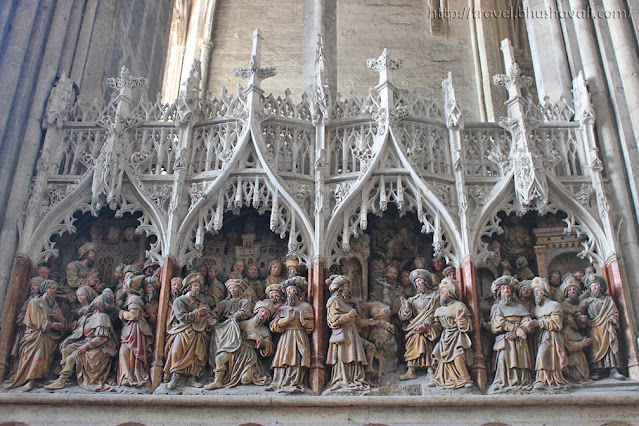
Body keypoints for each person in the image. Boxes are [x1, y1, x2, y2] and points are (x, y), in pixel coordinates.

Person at [46, 289, 118, 391]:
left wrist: (86, 346)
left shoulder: (102, 317)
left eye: (97, 298)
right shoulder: (88, 316)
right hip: (86, 341)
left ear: (100, 303)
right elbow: (78, 331)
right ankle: (68, 376)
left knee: (72, 358)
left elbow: (102, 338)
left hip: (98, 346)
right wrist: (69, 340)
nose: (94, 299)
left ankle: (61, 381)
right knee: (65, 349)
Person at [8, 280, 65, 391]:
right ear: (45, 289)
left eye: (56, 289)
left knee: (45, 357)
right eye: (52, 288)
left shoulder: (54, 305)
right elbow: (35, 320)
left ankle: (38, 379)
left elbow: (61, 319)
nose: (54, 291)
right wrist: (51, 325)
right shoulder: (34, 302)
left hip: (49, 336)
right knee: (37, 353)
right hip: (35, 334)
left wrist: (61, 321)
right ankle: (30, 380)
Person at [164, 274, 213, 389]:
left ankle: (192, 378)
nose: (197, 289)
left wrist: (208, 320)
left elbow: (207, 316)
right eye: (195, 286)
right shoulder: (179, 301)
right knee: (176, 351)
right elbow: (181, 317)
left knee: (196, 355)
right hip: (183, 330)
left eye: (199, 287)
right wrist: (197, 313)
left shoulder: (200, 302)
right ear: (189, 287)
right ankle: (175, 377)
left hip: (197, 331)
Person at [267, 278, 315, 393]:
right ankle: (278, 382)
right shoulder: (282, 308)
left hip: (299, 334)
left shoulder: (306, 307)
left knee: (296, 359)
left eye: (292, 290)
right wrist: (286, 320)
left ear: (297, 292)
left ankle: (294, 382)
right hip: (286, 336)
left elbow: (312, 325)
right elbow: (273, 326)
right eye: (288, 291)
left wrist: (305, 323)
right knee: (282, 359)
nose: (290, 293)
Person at [488, 276, 534, 393]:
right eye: (503, 289)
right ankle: (503, 382)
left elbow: (528, 321)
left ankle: (522, 383)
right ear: (499, 292)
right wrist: (514, 329)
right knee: (504, 360)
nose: (506, 291)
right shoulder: (496, 307)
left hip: (519, 340)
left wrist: (521, 329)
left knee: (521, 361)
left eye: (508, 288)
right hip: (504, 339)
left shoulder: (519, 307)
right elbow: (498, 323)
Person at [325, 275, 370, 392]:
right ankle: (343, 379)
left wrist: (370, 321)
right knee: (344, 357)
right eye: (345, 286)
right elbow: (332, 320)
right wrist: (348, 316)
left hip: (352, 332)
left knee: (354, 357)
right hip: (343, 333)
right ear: (339, 288)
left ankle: (354, 379)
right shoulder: (333, 301)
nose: (348, 289)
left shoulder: (347, 303)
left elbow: (357, 321)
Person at [205, 279, 253, 389]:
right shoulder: (224, 303)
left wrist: (236, 316)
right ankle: (217, 379)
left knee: (224, 355)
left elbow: (246, 312)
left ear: (240, 290)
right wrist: (213, 320)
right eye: (230, 288)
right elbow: (215, 313)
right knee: (219, 354)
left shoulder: (244, 301)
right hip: (224, 328)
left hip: (237, 327)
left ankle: (220, 379)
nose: (232, 290)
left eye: (235, 287)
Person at [429, 278, 473, 389]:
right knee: (441, 359)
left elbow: (468, 325)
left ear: (451, 293)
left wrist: (460, 320)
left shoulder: (459, 306)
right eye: (442, 292)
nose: (443, 295)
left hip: (457, 335)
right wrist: (428, 328)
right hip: (445, 337)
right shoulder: (439, 310)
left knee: (458, 357)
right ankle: (440, 378)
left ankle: (465, 378)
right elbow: (437, 327)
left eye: (445, 292)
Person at [579, 275, 625, 380]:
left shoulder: (608, 300)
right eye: (593, 287)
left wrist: (613, 318)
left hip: (607, 326)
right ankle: (597, 370)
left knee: (610, 347)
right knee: (595, 348)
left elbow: (614, 312)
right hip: (593, 327)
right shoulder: (587, 302)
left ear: (601, 288)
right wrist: (580, 317)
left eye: (597, 286)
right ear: (589, 290)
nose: (595, 289)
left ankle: (613, 369)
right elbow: (578, 312)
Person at [398, 269, 439, 381]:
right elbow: (404, 317)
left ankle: (431, 370)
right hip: (414, 327)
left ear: (426, 282)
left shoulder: (434, 297)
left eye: (420, 281)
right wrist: (406, 308)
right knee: (412, 340)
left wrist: (426, 324)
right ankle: (411, 370)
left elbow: (436, 313)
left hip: (429, 326)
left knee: (427, 343)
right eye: (416, 282)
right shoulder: (412, 300)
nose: (418, 284)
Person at [530, 277, 569, 390]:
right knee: (540, 354)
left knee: (544, 355)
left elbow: (557, 324)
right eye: (535, 292)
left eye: (539, 291)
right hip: (539, 336)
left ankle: (544, 380)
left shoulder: (554, 305)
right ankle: (544, 379)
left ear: (545, 292)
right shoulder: (534, 309)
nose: (536, 294)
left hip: (551, 336)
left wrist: (540, 323)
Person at [117, 275, 154, 387]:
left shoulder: (134, 299)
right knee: (125, 352)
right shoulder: (129, 299)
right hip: (130, 328)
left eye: (124, 284)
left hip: (134, 329)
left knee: (128, 352)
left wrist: (120, 313)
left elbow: (134, 314)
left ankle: (133, 376)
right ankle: (128, 376)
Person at [559, 277, 591, 383]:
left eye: (574, 289)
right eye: (570, 290)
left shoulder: (579, 303)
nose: (572, 292)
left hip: (579, 331)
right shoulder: (563, 306)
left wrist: (582, 319)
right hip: (571, 336)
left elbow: (579, 314)